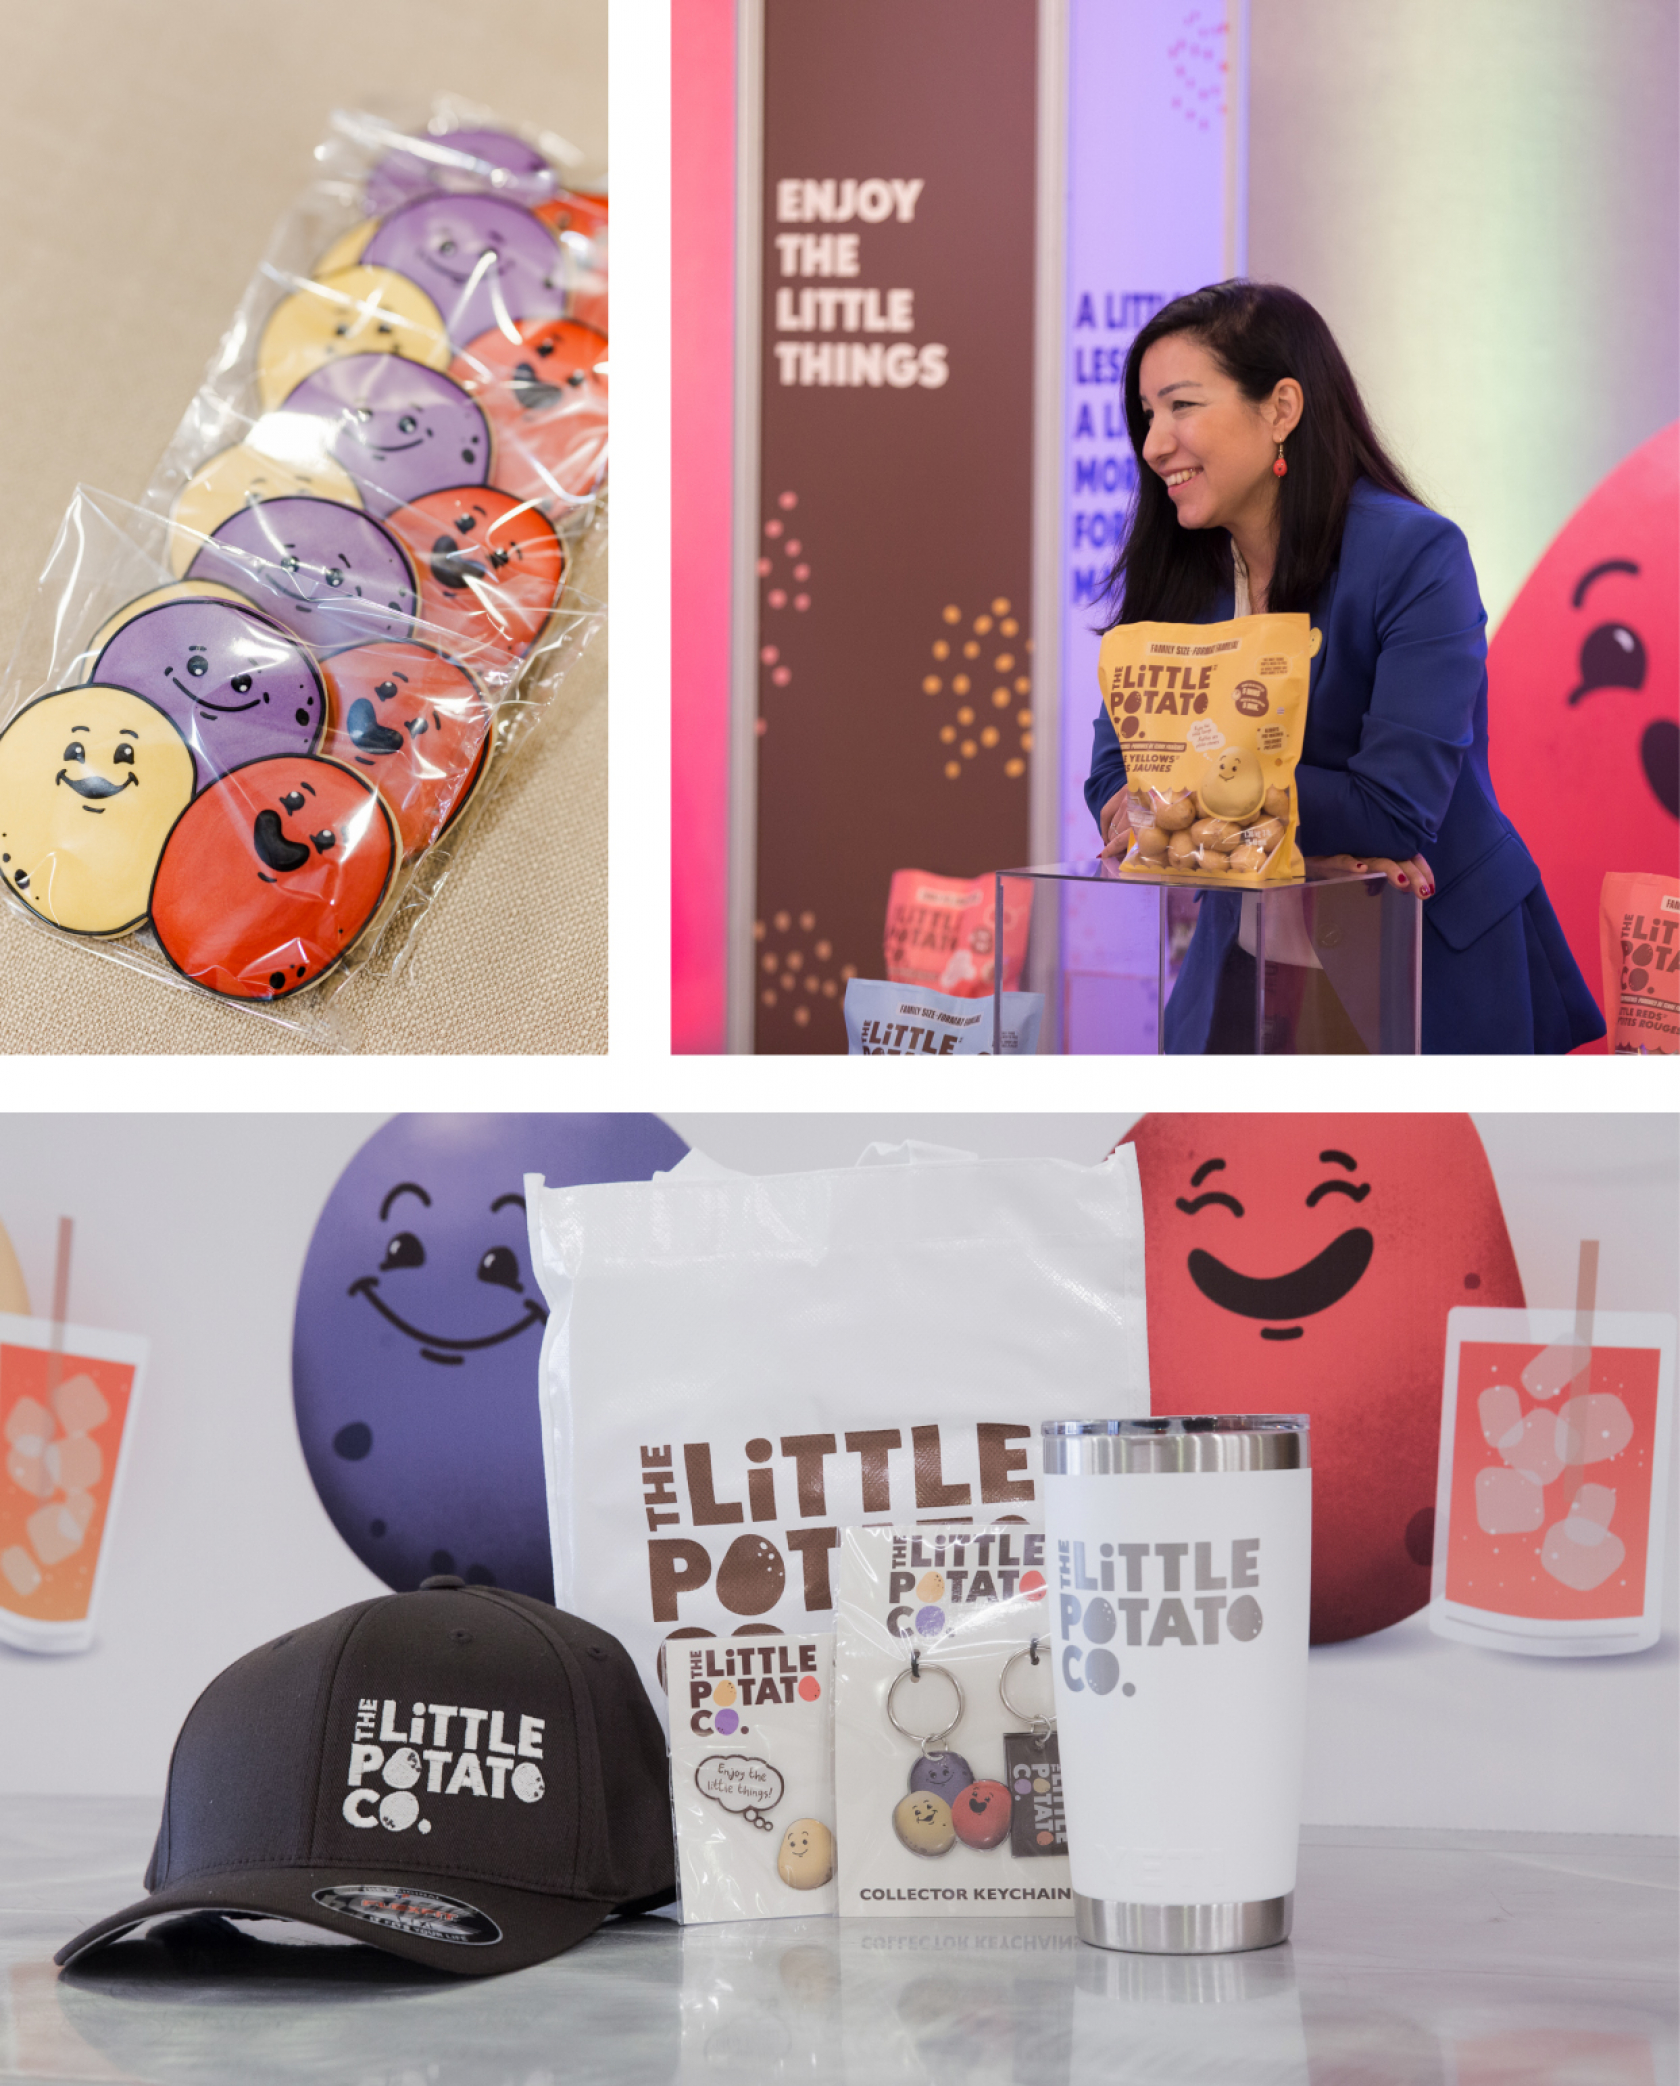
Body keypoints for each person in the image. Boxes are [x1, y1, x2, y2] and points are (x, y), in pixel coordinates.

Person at [1085, 280, 1604, 1055]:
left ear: (1281, 409)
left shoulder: (1415, 555)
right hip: (1246, 971)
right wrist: (1281, 836)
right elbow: (1114, 775)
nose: (1155, 442)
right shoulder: (1179, 571)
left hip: (1430, 970)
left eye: (1182, 406)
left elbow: (1393, 809)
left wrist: (1199, 812)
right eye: (1148, 415)